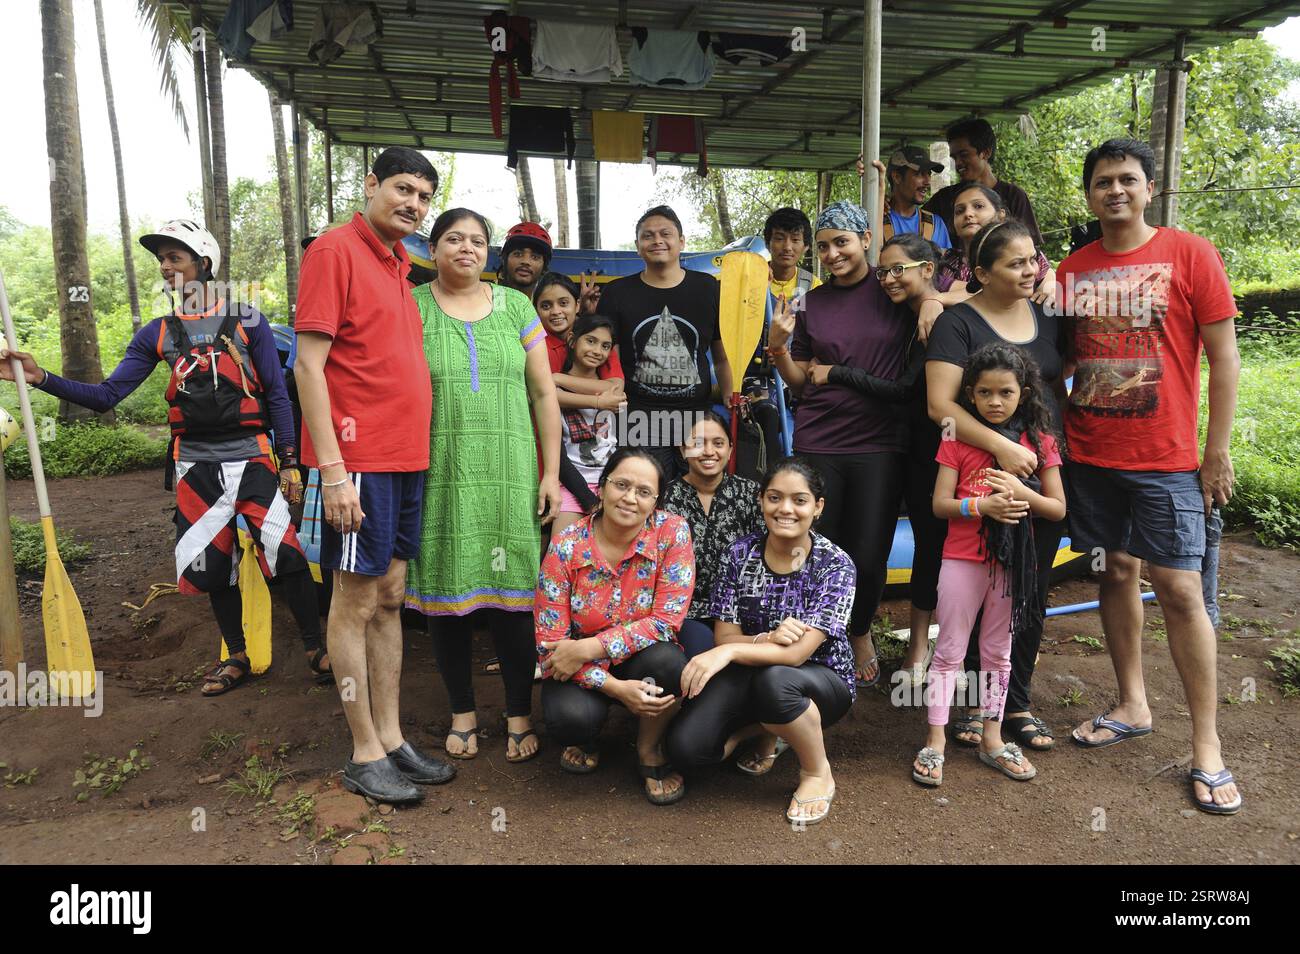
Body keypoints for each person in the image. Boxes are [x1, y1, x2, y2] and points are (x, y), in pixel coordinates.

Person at [2, 219, 326, 697]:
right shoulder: (157, 333)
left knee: (287, 554)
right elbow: (107, 395)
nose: (166, 267)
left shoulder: (247, 320)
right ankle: (235, 655)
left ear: (204, 264)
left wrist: (290, 460)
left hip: (253, 459)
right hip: (194, 468)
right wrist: (39, 377)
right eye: (162, 260)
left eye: (176, 257)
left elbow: (277, 395)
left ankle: (316, 649)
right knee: (214, 565)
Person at [1061, 138, 1243, 815]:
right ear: (1089, 194)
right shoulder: (1071, 270)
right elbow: (1055, 360)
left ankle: (1207, 747)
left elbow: (1224, 358)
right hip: (1091, 455)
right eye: (1103, 181)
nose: (1115, 191)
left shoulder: (1191, 254)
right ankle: (1132, 703)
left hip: (1166, 459)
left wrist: (1215, 450)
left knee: (1180, 589)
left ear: (1149, 188)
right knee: (1114, 573)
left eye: (1127, 180)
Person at [294, 146, 452, 804]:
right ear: (371, 185)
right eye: (403, 188)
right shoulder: (333, 251)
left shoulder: (399, 264)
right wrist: (332, 471)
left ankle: (390, 738)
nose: (413, 203)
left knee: (390, 597)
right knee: (354, 601)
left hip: (404, 459)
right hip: (355, 463)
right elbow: (307, 365)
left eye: (423, 195)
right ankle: (363, 751)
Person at [405, 208, 563, 765]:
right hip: (440, 472)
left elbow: (544, 394)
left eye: (477, 240)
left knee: (514, 598)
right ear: (433, 248)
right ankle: (462, 712)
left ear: (488, 252)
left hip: (510, 473)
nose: (466, 248)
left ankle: (519, 711)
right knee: (447, 598)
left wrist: (549, 472)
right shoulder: (412, 306)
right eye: (454, 238)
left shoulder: (518, 307)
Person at [926, 219, 1067, 752]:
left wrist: (1039, 446)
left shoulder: (1050, 313)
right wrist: (1006, 448)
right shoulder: (956, 321)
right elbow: (940, 406)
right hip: (977, 470)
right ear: (982, 272)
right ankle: (968, 704)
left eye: (1034, 259)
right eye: (1016, 262)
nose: (1031, 270)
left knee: (1026, 592)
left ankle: (1015, 703)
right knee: (971, 596)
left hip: (1041, 461)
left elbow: (1060, 374)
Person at [667, 458, 857, 826]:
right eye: (774, 497)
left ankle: (817, 771)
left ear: (818, 508)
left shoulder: (835, 565)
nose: (785, 509)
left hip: (821, 679)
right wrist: (759, 639)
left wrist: (732, 650)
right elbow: (724, 633)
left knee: (778, 682)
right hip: (752, 672)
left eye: (799, 500)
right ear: (761, 500)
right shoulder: (739, 554)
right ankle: (762, 729)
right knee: (687, 751)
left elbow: (799, 654)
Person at [766, 198, 906, 689]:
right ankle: (816, 638)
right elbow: (800, 384)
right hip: (819, 438)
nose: (831, 254)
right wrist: (778, 347)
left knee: (869, 554)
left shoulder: (892, 289)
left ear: (866, 240)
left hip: (879, 442)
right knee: (817, 546)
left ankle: (860, 628)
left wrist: (930, 300)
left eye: (841, 242)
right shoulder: (810, 302)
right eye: (823, 247)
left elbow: (941, 292)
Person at [912, 343, 1066, 786]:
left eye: (1005, 392)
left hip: (1012, 565)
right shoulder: (956, 441)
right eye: (984, 393)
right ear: (970, 396)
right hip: (962, 558)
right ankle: (935, 740)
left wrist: (1022, 496)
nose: (995, 402)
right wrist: (981, 507)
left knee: (999, 652)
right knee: (950, 651)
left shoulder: (1041, 442)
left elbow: (1056, 509)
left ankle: (992, 739)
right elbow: (941, 505)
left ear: (1024, 393)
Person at [806, 233, 952, 685]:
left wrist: (837, 373)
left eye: (897, 270)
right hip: (867, 441)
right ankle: (824, 639)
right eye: (885, 271)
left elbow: (906, 388)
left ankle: (893, 641)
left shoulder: (935, 316)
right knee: (827, 547)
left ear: (928, 269)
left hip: (920, 446)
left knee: (889, 551)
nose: (888, 278)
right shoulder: (898, 305)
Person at [535, 448, 694, 805]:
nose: (629, 498)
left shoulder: (672, 532)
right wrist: (614, 687)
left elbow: (667, 620)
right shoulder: (566, 545)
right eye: (621, 485)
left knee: (669, 664)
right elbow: (549, 646)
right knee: (569, 721)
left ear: (656, 501)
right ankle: (589, 735)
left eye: (643, 492)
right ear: (603, 487)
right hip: (578, 666)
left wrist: (591, 647)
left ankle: (649, 748)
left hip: (629, 655)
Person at [598, 205, 732, 477]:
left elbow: (721, 354)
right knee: (645, 492)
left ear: (681, 242)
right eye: (648, 236)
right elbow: (607, 355)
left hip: (695, 417)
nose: (657, 240)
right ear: (638, 246)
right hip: (638, 417)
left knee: (697, 491)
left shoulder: (708, 288)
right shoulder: (616, 293)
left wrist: (731, 394)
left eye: (665, 233)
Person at [662, 412, 763, 658]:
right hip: (688, 612)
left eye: (718, 443)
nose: (708, 451)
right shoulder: (664, 498)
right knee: (704, 654)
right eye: (697, 443)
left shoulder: (751, 494)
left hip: (742, 610)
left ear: (730, 449)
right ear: (682, 449)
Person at [534, 274, 626, 520]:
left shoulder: (597, 339)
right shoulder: (536, 346)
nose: (556, 311)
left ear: (576, 305)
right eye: (546, 305)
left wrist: (558, 379)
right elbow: (540, 395)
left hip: (604, 475)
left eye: (564, 303)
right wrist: (596, 400)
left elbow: (616, 389)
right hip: (557, 464)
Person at [924, 118, 1042, 248]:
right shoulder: (943, 198)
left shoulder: (1014, 196)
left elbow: (1030, 247)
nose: (958, 163)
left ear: (986, 153)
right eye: (954, 157)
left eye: (964, 155)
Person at [553, 313, 622, 535]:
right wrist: (587, 498)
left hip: (611, 484)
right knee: (561, 552)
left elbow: (612, 390)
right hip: (571, 485)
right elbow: (558, 456)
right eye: (590, 341)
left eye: (605, 346)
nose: (597, 351)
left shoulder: (612, 388)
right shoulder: (554, 394)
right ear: (572, 340)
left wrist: (555, 377)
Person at [937, 182, 1054, 305]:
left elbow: (1051, 282)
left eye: (978, 206)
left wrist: (1051, 283)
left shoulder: (1029, 255)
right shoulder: (946, 262)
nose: (968, 214)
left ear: (1000, 215)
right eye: (960, 211)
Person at [882, 146, 953, 250]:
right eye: (919, 174)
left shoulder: (936, 224)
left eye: (929, 173)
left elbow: (947, 264)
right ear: (897, 177)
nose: (927, 182)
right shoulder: (875, 220)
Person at [496, 221, 553, 300]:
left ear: (544, 266)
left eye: (535, 257)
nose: (526, 261)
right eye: (518, 254)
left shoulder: (547, 306)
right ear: (504, 259)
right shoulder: (487, 299)